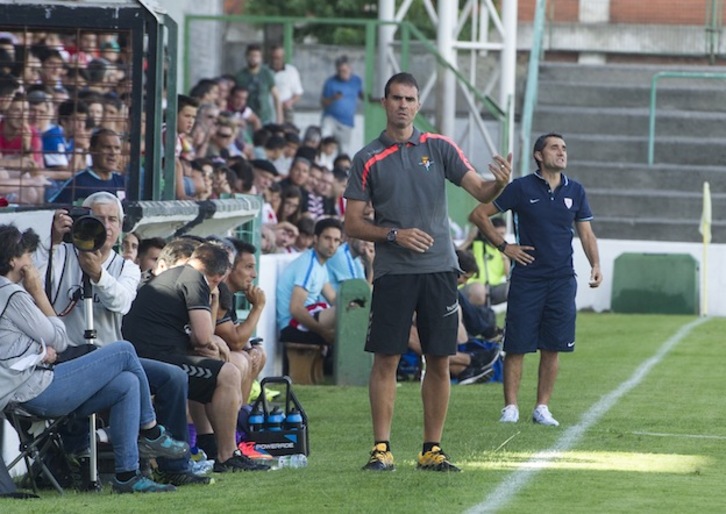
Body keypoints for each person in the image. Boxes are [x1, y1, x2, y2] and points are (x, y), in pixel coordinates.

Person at [343, 72, 511, 472]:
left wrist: (499, 184)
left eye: (410, 99)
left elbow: (479, 189)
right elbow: (352, 224)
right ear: (384, 103)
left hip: (439, 269)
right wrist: (394, 235)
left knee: (439, 358)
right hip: (393, 272)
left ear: (418, 105)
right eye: (396, 98)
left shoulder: (439, 146)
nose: (403, 105)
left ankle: (431, 449)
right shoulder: (366, 158)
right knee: (386, 358)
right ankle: (381, 448)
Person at [35, 192, 209, 486]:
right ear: (80, 219)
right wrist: (51, 239)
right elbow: (35, 285)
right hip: (70, 358)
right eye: (96, 218)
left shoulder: (125, 266)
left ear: (121, 226)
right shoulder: (59, 256)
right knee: (127, 357)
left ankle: (174, 465)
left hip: (113, 357)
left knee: (175, 377)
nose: (105, 225)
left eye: (112, 219)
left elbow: (122, 302)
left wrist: (97, 274)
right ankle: (150, 434)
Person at [0, 224, 186, 494]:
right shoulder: (14, 294)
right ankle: (151, 430)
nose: (31, 261)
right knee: (123, 351)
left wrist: (40, 349)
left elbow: (20, 342)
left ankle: (127, 475)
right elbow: (59, 338)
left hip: (25, 386)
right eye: (27, 254)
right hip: (32, 390)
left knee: (126, 384)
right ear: (14, 259)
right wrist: (37, 291)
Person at [468, 132, 602, 427]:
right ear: (539, 156)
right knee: (517, 345)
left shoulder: (576, 191)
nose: (562, 152)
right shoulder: (520, 188)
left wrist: (595, 263)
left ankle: (542, 407)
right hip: (527, 279)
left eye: (564, 148)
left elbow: (586, 233)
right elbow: (478, 215)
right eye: (554, 148)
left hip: (562, 279)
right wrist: (505, 247)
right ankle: (511, 407)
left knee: (553, 345)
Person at [122, 242, 270, 472]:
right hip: (156, 359)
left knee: (218, 371)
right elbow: (203, 337)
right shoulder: (195, 279)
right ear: (218, 277)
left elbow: (202, 338)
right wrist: (213, 335)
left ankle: (216, 446)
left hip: (149, 355)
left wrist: (212, 332)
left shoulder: (178, 275)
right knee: (227, 373)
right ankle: (227, 454)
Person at [276, 217, 343, 346]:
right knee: (342, 313)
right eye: (327, 238)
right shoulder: (309, 264)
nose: (332, 244)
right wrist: (323, 331)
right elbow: (295, 308)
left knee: (347, 310)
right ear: (316, 239)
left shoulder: (320, 265)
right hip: (292, 326)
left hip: (305, 321)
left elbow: (334, 298)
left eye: (336, 240)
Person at [50, 127, 125, 204]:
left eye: (117, 148)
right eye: (107, 147)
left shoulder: (122, 182)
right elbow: (52, 209)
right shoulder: (78, 182)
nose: (113, 153)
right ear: (92, 150)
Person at [461, 217, 510, 306]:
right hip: (474, 287)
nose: (500, 237)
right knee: (479, 290)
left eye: (502, 234)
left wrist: (503, 250)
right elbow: (457, 255)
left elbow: (508, 276)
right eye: (497, 234)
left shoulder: (503, 253)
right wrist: (469, 240)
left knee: (515, 288)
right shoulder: (476, 245)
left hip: (494, 289)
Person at [320, 55, 363, 155]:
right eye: (340, 71)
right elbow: (323, 103)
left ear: (350, 68)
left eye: (344, 70)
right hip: (332, 118)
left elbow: (362, 94)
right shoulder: (330, 82)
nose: (342, 73)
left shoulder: (357, 81)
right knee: (325, 141)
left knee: (344, 151)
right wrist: (333, 98)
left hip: (347, 122)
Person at [235, 44, 282, 126]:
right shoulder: (240, 76)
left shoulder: (267, 73)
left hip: (265, 117)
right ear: (246, 57)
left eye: (256, 56)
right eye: (251, 56)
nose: (253, 58)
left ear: (261, 58)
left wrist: (279, 118)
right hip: (247, 117)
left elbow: (276, 96)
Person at [269, 44, 303, 124]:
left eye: (278, 58)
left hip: (285, 109)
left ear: (283, 57)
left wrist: (290, 102)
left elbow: (298, 93)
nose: (276, 61)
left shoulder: (291, 71)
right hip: (269, 110)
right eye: (274, 58)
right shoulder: (265, 71)